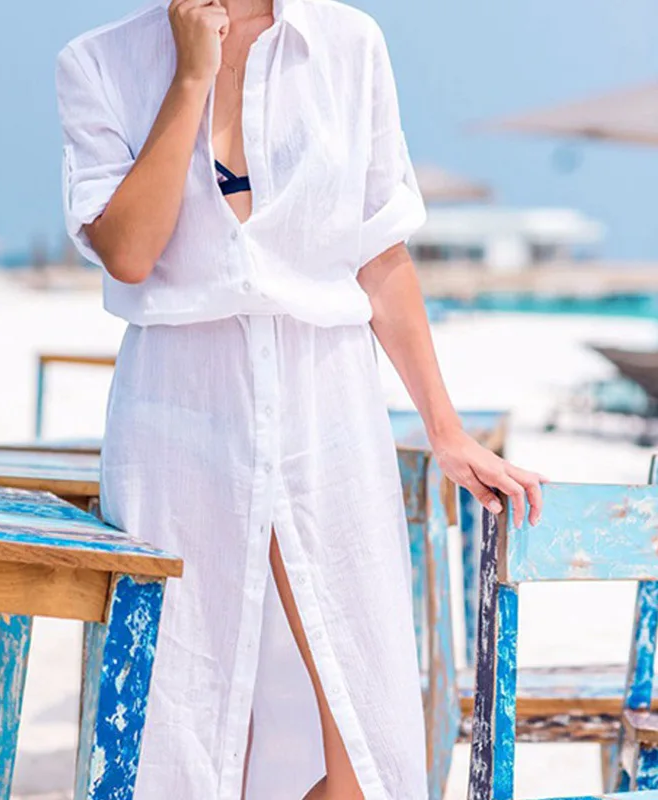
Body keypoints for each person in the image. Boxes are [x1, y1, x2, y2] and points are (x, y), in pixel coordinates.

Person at [55, 0, 546, 797]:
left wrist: (446, 429)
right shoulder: (100, 63)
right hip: (179, 406)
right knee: (187, 716)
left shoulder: (348, 44)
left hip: (329, 404)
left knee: (369, 736)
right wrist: (191, 76)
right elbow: (130, 253)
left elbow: (379, 254)